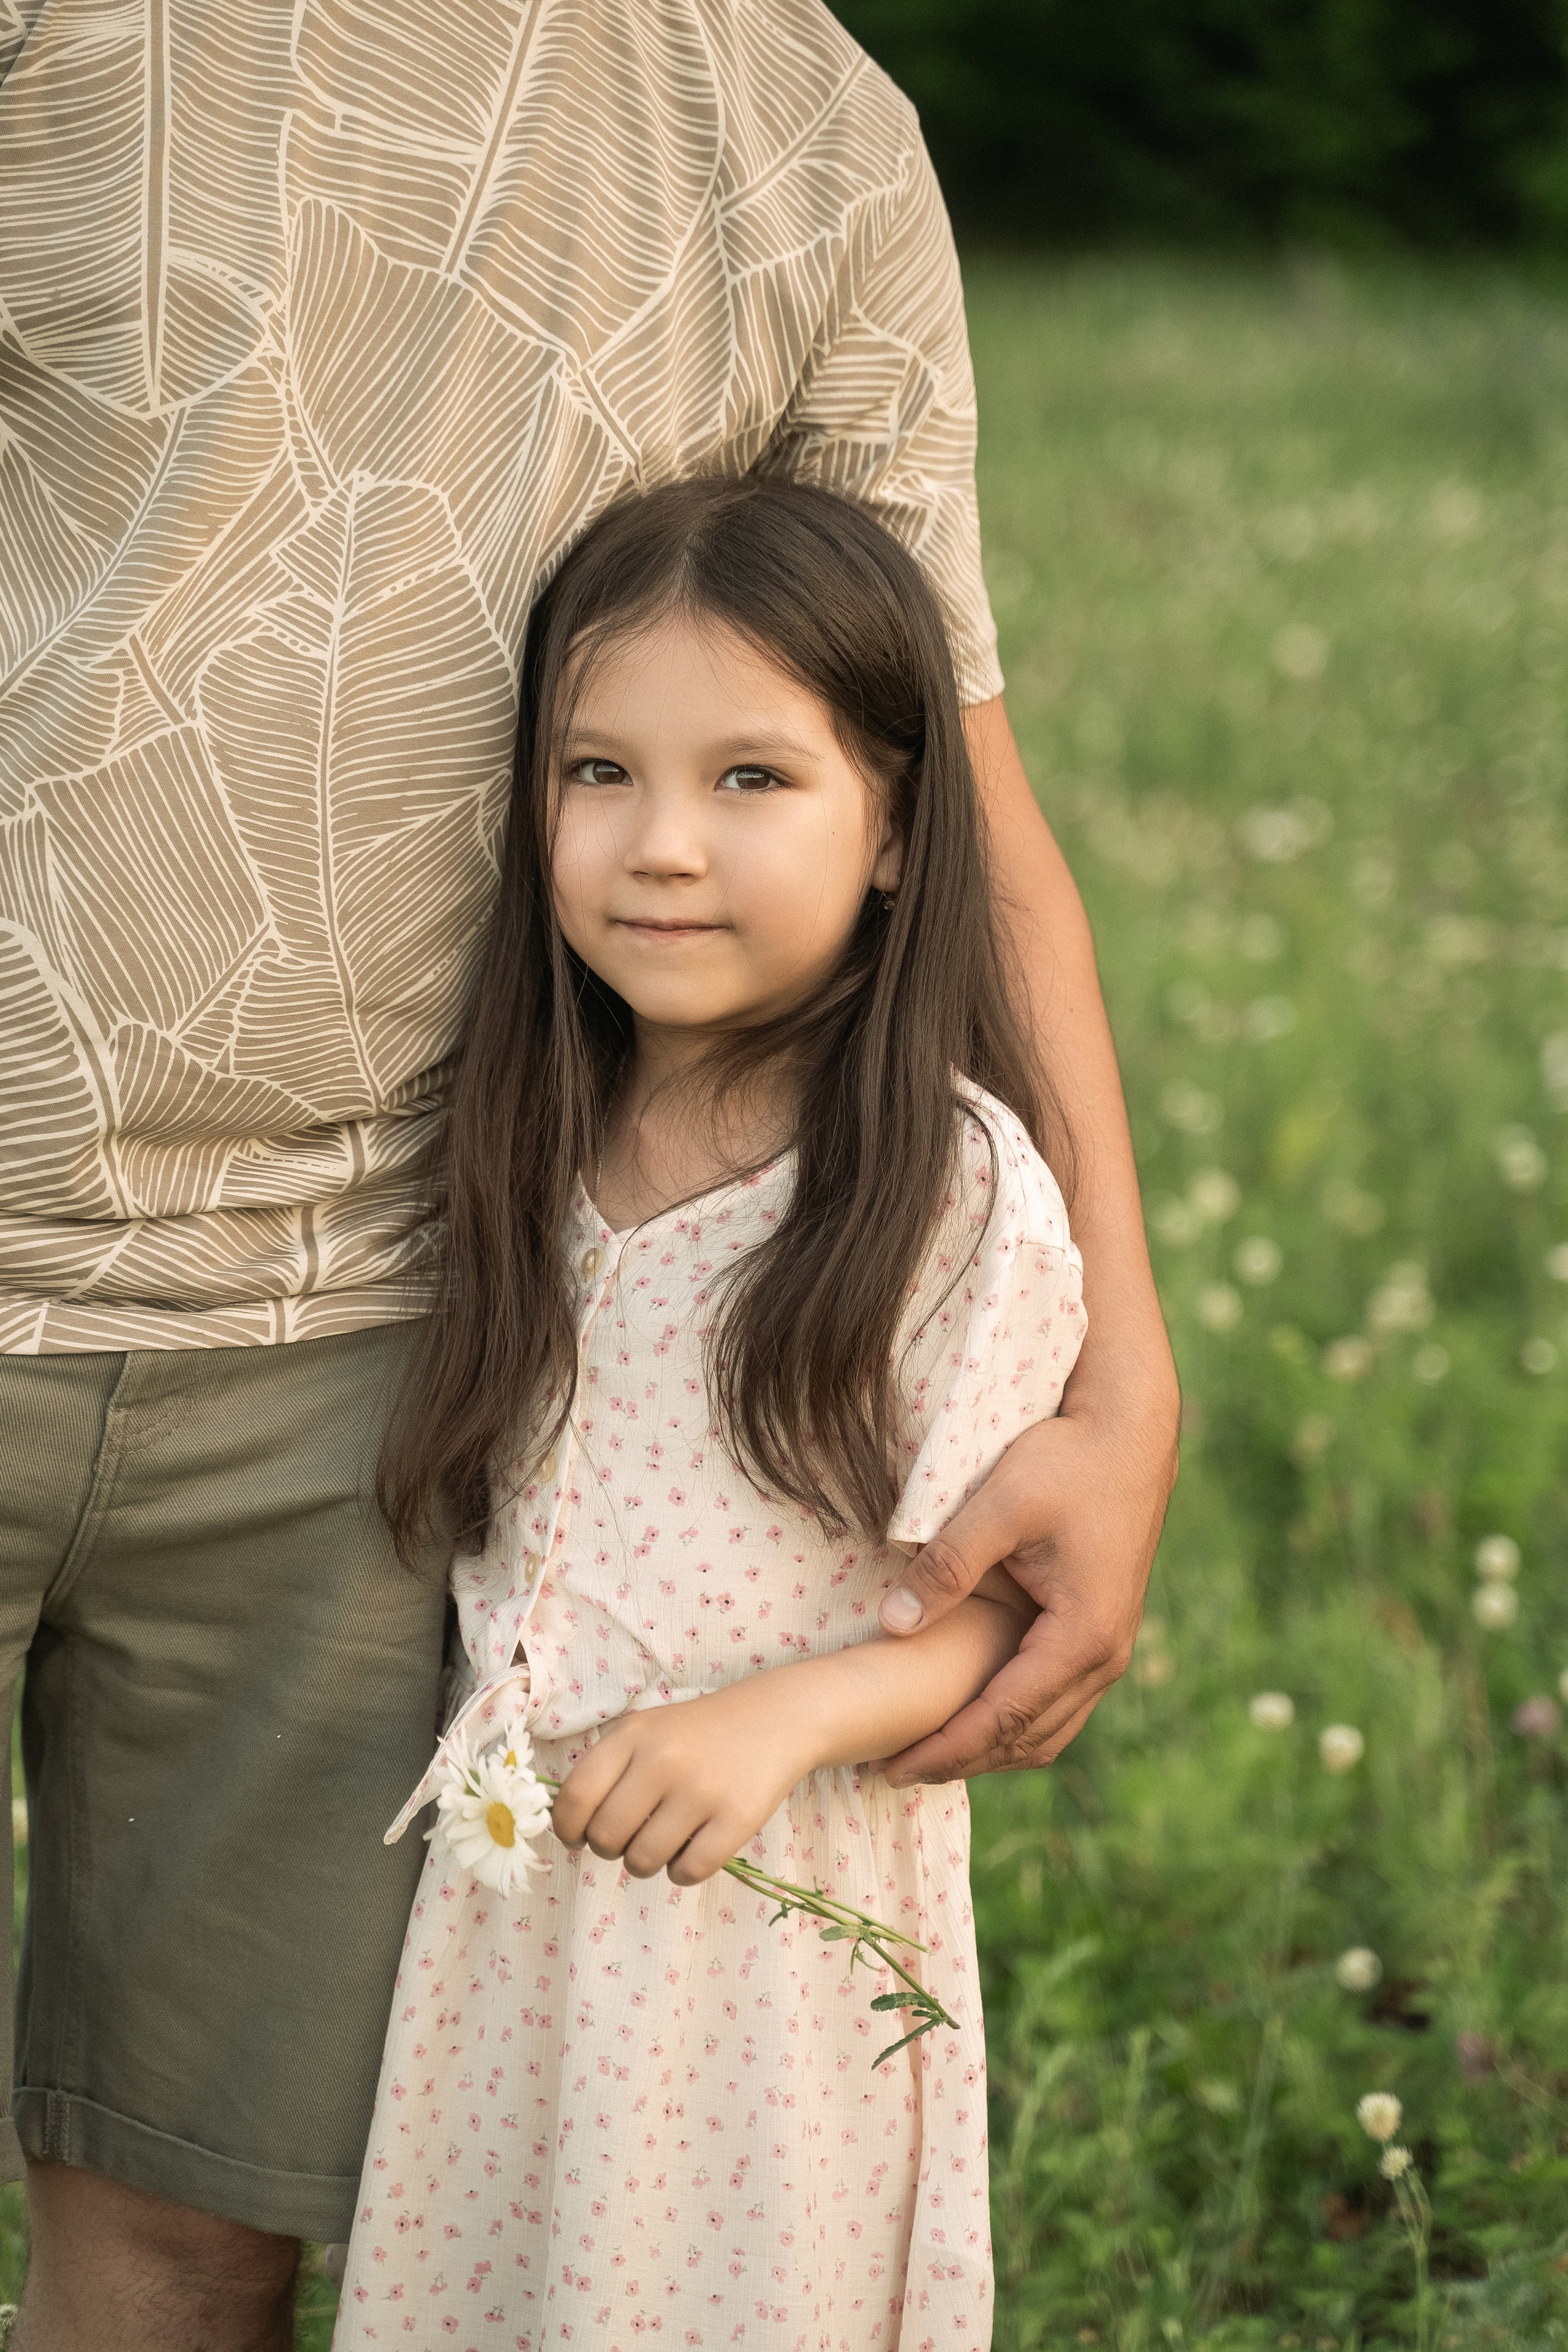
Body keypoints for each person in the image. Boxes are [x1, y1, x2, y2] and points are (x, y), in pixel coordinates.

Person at [0, 4, 1175, 2343]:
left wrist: (1124, 1382)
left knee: (186, 2204)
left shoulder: (811, 121)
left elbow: (964, 779)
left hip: (376, 1337)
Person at [336, 473, 1090, 2348]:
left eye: (753, 780)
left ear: (901, 827)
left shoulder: (942, 1189)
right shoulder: (520, 1129)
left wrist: (788, 1715)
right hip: (513, 1927)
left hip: (770, 1938)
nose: (660, 846)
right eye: (600, 773)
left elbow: (1006, 1598)